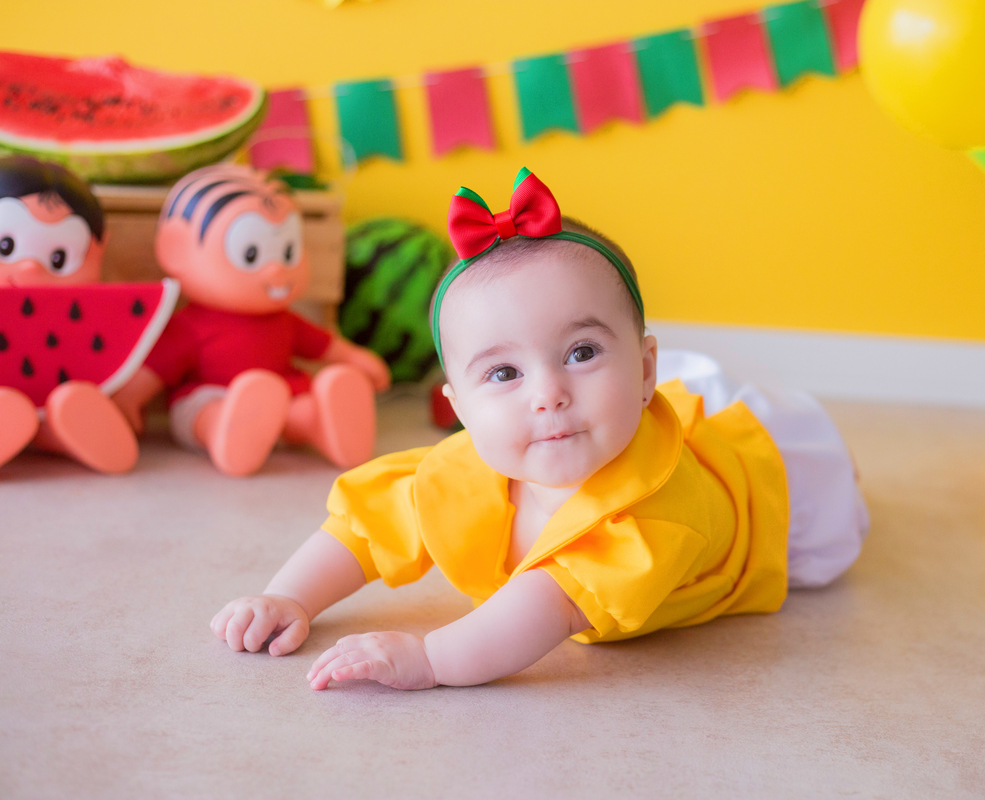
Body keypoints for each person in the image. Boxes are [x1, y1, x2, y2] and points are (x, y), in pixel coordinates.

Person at [211, 169, 868, 690]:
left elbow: (545, 606)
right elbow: (364, 525)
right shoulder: (467, 469)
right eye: (503, 374)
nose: (548, 395)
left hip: (743, 504)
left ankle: (834, 473)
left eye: (581, 353)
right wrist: (288, 598)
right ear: (459, 408)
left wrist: (431, 658)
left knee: (804, 476)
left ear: (645, 373)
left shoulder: (648, 519)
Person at [113, 164, 391, 477]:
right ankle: (224, 433)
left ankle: (325, 426)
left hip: (282, 393)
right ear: (176, 250)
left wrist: (355, 358)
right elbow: (157, 368)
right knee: (203, 412)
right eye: (250, 254)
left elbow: (323, 345)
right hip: (213, 393)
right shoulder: (189, 326)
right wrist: (127, 401)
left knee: (299, 408)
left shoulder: (285, 320)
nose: (276, 271)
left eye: (288, 252)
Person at [0, 155, 142, 473]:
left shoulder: (90, 314)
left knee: (67, 405)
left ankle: (68, 427)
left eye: (59, 257)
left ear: (99, 250)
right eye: (5, 247)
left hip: (64, 394)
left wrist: (128, 399)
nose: (30, 268)